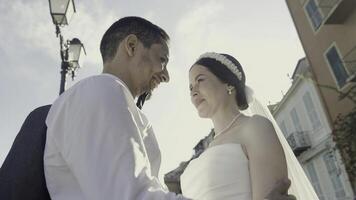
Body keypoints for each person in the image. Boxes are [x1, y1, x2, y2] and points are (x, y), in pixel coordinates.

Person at [44, 17, 295, 200]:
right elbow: (132, 195)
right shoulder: (102, 91)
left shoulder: (114, 101)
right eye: (161, 60)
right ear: (131, 46)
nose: (165, 76)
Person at [180, 52, 319, 200]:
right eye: (190, 88)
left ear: (228, 84)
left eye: (200, 80)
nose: (193, 92)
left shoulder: (255, 128)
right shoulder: (206, 151)